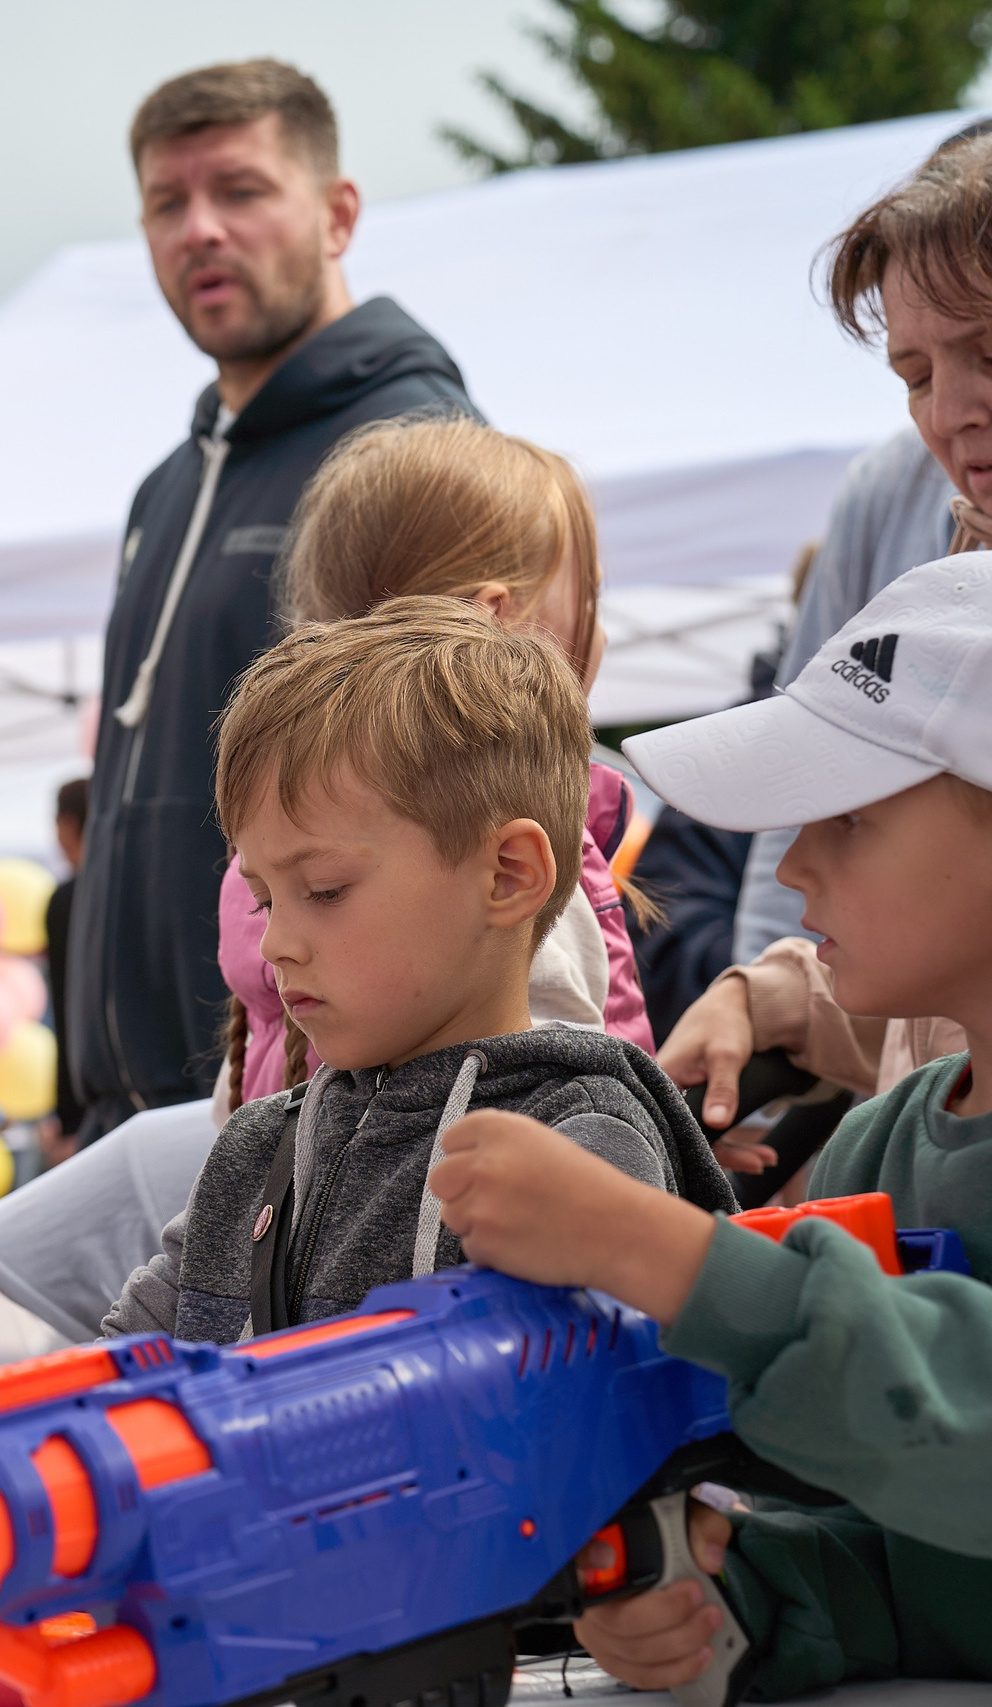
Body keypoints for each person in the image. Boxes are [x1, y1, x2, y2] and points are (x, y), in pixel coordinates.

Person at [432, 554, 992, 1698]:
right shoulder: (877, 1148)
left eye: (849, 818)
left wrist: (663, 1251)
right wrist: (732, 1597)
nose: (791, 866)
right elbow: (914, 1568)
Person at [104, 601, 728, 1342]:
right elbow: (117, 1364)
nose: (276, 944)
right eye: (265, 899)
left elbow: (574, 1413)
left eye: (325, 890)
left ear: (506, 876)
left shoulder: (574, 1138)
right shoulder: (256, 1151)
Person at [67, 58, 474, 1140]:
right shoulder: (167, 483)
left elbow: (439, 806)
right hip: (135, 1102)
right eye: (168, 202)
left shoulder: (406, 447)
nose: (199, 228)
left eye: (239, 191)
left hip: (297, 1113)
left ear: (337, 214)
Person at [664, 134, 992, 1141]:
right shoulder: (926, 524)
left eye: (989, 351)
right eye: (910, 371)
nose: (945, 413)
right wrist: (774, 996)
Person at [213, 416, 652, 1117]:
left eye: (323, 891)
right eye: (591, 593)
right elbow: (571, 1126)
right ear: (499, 625)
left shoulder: (288, 836)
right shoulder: (489, 858)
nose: (277, 938)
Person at [42, 776, 90, 1156]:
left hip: (84, 1096)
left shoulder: (67, 900)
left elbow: (66, 1005)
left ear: (69, 826)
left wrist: (66, 1114)